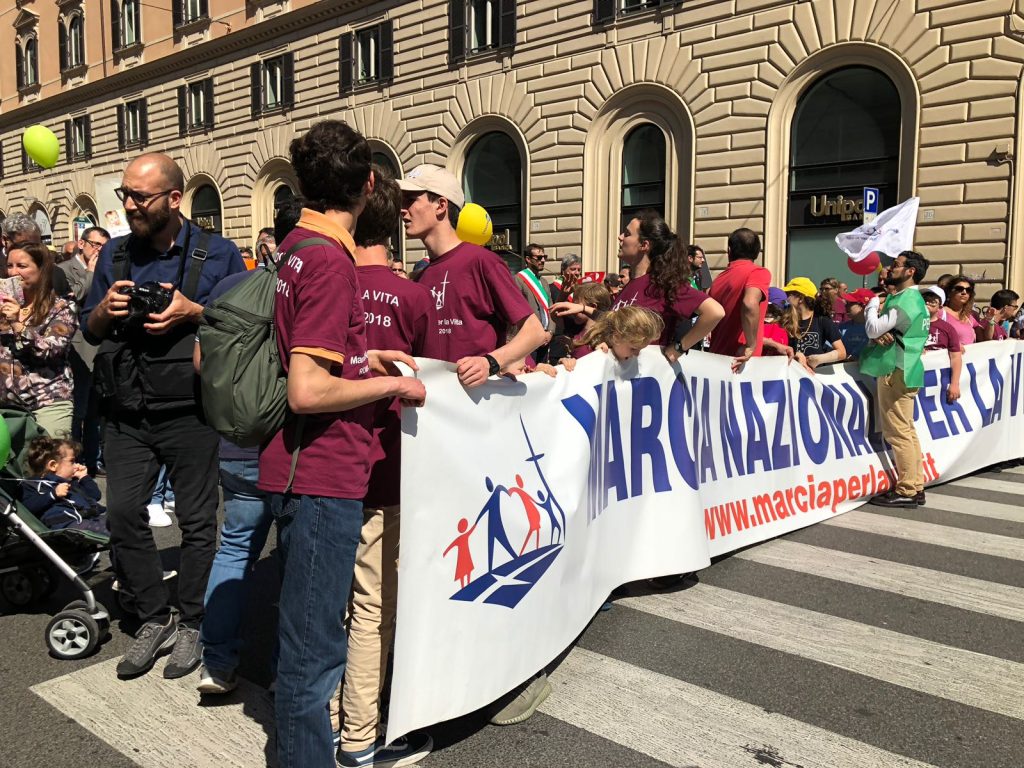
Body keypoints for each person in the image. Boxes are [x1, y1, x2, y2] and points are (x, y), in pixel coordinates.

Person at [258, 120, 425, 768]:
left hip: (303, 468)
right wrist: (392, 384)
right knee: (314, 655)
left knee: (308, 641)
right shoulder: (331, 260)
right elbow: (307, 389)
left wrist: (364, 358)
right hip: (323, 473)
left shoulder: (298, 245)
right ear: (369, 184)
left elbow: (310, 354)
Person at [82, 152, 246, 680]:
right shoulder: (114, 253)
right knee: (122, 513)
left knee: (197, 521)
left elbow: (246, 324)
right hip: (126, 409)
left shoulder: (217, 253)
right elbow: (88, 328)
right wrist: (104, 310)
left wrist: (192, 311)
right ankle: (156, 616)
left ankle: (194, 619)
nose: (130, 205)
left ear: (175, 199)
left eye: (140, 196)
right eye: (125, 195)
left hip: (190, 409)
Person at [398, 162, 547, 725]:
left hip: (483, 433)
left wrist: (492, 359)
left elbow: (535, 328)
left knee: (498, 553)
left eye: (413, 198)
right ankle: (456, 671)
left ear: (441, 204)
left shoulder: (481, 261)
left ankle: (521, 671)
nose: (404, 209)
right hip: (436, 437)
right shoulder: (420, 272)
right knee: (452, 559)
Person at [331, 167, 436, 767]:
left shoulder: (328, 282)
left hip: (327, 464)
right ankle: (359, 735)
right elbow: (435, 379)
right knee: (374, 606)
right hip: (389, 463)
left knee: (336, 601)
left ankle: (331, 713)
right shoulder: (412, 296)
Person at [195, 193, 305, 697]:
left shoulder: (230, 285)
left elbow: (202, 363)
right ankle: (286, 671)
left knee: (235, 549)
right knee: (293, 562)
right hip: (291, 447)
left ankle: (216, 663)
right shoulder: (310, 285)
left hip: (236, 442)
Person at [555, 210, 723, 361]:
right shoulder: (629, 285)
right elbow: (616, 320)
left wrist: (679, 348)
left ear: (644, 245)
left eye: (627, 234)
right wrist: (584, 309)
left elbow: (714, 312)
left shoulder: (661, 284)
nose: (620, 237)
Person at [860, 250, 931, 508]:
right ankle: (915, 485)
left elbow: (873, 329)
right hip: (908, 368)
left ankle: (908, 489)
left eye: (897, 265)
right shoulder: (913, 299)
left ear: (910, 271)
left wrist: (871, 306)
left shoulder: (905, 300)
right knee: (907, 430)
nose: (891, 268)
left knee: (898, 433)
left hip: (896, 370)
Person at [0, 244, 77, 436]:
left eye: (22, 266)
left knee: (49, 455)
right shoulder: (3, 307)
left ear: (41, 269)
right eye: (9, 266)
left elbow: (50, 351)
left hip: (47, 401)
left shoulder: (61, 308)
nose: (13, 273)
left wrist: (17, 324)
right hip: (7, 408)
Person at [59, 226, 110, 474]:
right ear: (82, 244)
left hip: (100, 345)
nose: (99, 251)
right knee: (78, 410)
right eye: (96, 245)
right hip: (78, 348)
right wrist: (90, 272)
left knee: (95, 412)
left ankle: (92, 460)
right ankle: (74, 463)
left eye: (104, 247)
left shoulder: (105, 269)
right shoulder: (64, 270)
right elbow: (73, 298)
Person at [707, 228, 770, 371]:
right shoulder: (758, 272)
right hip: (742, 363)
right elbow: (749, 304)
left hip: (716, 361)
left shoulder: (718, 280)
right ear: (757, 252)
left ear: (729, 251)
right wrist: (751, 345)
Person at [781, 277, 847, 373]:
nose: (786, 298)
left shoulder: (822, 320)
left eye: (789, 294)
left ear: (800, 298)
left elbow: (842, 352)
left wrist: (818, 359)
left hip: (815, 376)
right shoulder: (785, 321)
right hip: (792, 374)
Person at [575, 305, 665, 363]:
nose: (637, 355)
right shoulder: (586, 354)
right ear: (616, 338)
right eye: (633, 349)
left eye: (640, 350)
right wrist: (596, 359)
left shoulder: (626, 357)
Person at [922, 286, 962, 404]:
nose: (927, 303)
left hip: (939, 381)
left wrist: (954, 384)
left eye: (932, 301)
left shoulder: (947, 328)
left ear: (940, 306)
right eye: (924, 300)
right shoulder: (908, 325)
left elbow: (956, 357)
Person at [516, 243, 553, 361]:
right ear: (528, 259)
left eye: (544, 257)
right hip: (529, 337)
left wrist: (550, 331)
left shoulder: (544, 282)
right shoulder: (519, 279)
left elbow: (551, 308)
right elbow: (517, 310)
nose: (543, 260)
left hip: (546, 337)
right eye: (539, 258)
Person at [942, 275, 980, 348]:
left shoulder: (969, 317)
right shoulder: (941, 313)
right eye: (959, 289)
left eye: (968, 290)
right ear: (949, 292)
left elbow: (986, 338)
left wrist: (990, 319)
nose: (964, 292)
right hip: (948, 354)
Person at [837, 287, 875, 360]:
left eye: (850, 303)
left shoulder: (876, 328)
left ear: (863, 306)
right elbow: (830, 348)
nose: (845, 305)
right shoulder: (842, 327)